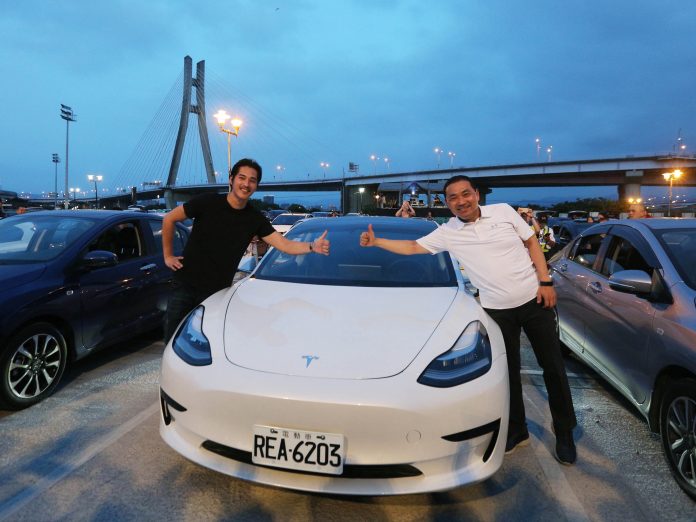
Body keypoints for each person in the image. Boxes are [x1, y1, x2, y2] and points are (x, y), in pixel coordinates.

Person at [359, 175, 577, 465]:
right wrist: (376, 242)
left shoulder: (503, 212)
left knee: (553, 367)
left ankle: (564, 432)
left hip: (534, 300)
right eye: (453, 197)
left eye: (466, 194)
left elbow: (531, 242)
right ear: (447, 203)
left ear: (476, 194)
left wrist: (545, 281)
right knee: (509, 374)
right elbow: (412, 247)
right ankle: (517, 429)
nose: (461, 201)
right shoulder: (448, 232)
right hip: (497, 311)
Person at [162, 158, 330, 341]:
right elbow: (169, 219)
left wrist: (312, 246)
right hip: (185, 285)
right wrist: (168, 256)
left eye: (252, 180)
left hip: (217, 292)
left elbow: (285, 245)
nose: (246, 184)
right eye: (241, 178)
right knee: (173, 339)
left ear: (256, 186)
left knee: (209, 341)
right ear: (231, 179)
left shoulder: (254, 219)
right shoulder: (207, 202)